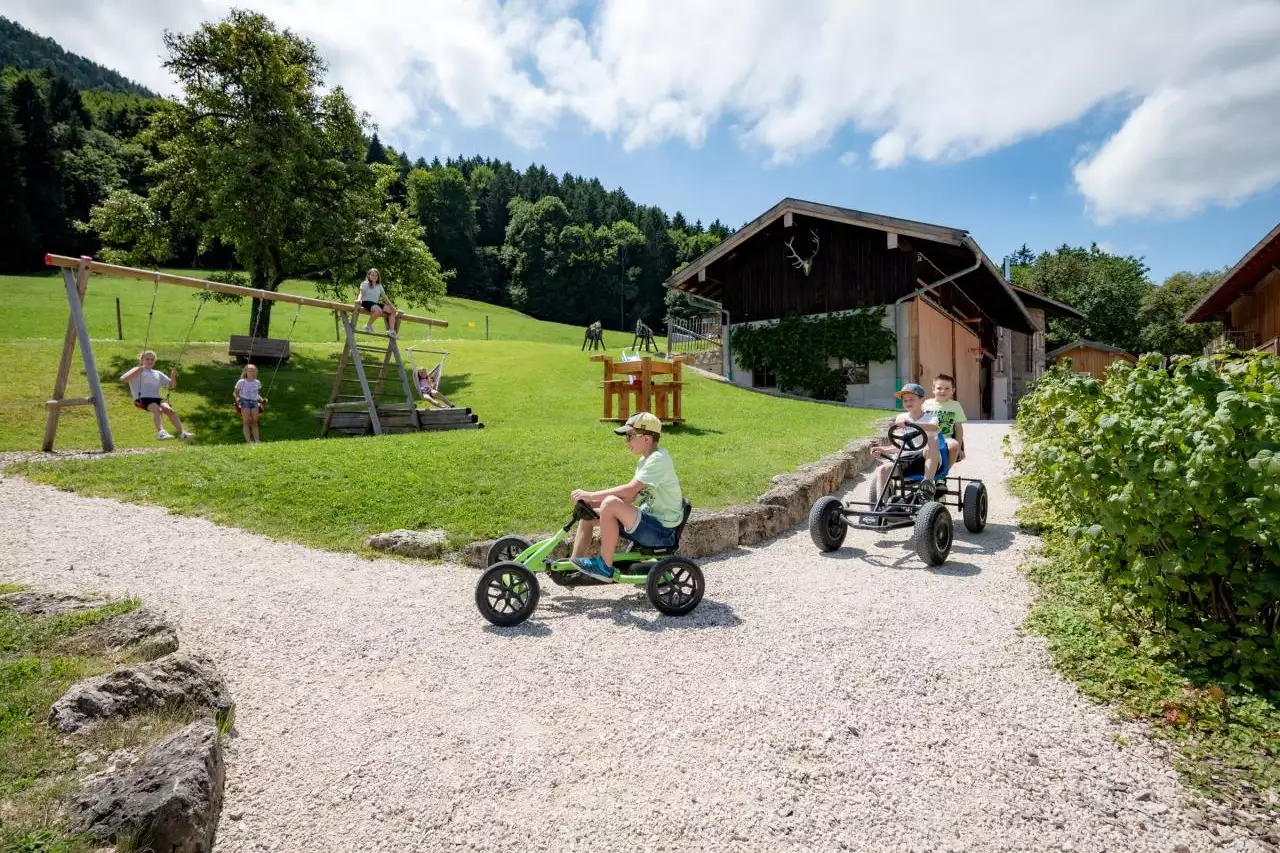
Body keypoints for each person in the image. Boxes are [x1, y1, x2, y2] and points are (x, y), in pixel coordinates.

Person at [569, 412, 684, 581]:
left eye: (630, 436)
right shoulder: (645, 461)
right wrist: (593, 506)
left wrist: (592, 496)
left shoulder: (659, 460)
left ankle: (604, 567)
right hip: (649, 523)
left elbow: (630, 491)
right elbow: (630, 499)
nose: (627, 442)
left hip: (662, 532)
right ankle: (573, 567)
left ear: (647, 438)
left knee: (609, 503)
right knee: (588, 517)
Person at [870, 382, 940, 501]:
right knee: (882, 469)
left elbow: (934, 427)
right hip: (905, 460)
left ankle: (926, 486)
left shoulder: (931, 418)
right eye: (905, 400)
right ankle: (881, 508)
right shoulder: (901, 418)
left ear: (922, 400)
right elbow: (899, 445)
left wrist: (912, 424)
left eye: (911, 399)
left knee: (932, 441)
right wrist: (882, 449)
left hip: (925, 460)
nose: (908, 403)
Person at [120, 350, 193, 441]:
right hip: (142, 398)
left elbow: (171, 385)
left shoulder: (157, 373)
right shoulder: (136, 369)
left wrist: (173, 376)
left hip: (157, 398)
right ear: (142, 360)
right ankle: (161, 433)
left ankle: (183, 433)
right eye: (147, 359)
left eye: (152, 359)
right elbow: (124, 380)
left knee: (169, 410)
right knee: (157, 410)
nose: (150, 361)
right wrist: (139, 370)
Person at [924, 373, 968, 464]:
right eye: (939, 388)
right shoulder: (925, 404)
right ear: (933, 389)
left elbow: (958, 428)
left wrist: (960, 448)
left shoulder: (955, 405)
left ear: (953, 390)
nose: (943, 391)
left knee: (954, 445)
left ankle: (944, 473)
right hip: (928, 438)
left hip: (945, 439)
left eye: (947, 388)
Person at [354, 268, 398, 337]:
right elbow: (361, 293)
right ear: (369, 275)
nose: (374, 277)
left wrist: (392, 307)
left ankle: (391, 331)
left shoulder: (379, 286)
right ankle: (368, 326)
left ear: (378, 277)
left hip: (375, 303)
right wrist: (359, 299)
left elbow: (385, 298)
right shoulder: (365, 283)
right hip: (366, 302)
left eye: (376, 275)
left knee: (393, 311)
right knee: (378, 310)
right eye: (372, 275)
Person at [234, 363, 263, 443]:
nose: (252, 372)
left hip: (254, 402)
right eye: (250, 371)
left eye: (254, 371)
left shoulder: (257, 382)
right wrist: (237, 398)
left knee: (254, 421)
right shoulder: (241, 381)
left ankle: (257, 440)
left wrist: (261, 399)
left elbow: (256, 394)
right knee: (246, 421)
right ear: (246, 372)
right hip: (244, 401)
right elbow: (235, 392)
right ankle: (249, 441)